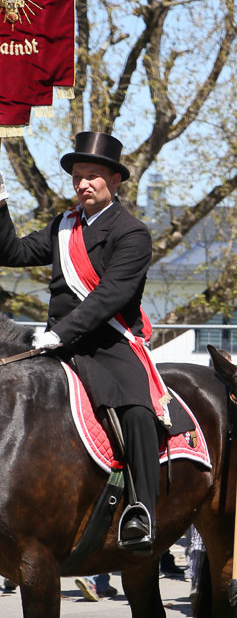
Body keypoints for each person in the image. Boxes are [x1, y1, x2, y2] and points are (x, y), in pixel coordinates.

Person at [0, 131, 188, 551]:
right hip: (57, 341)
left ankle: (142, 512)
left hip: (108, 343)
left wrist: (61, 332)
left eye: (92, 176)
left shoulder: (133, 233)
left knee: (137, 411)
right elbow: (10, 251)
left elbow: (111, 296)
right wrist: (0, 203)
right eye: (78, 177)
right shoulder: (62, 226)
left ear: (115, 181)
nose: (83, 184)